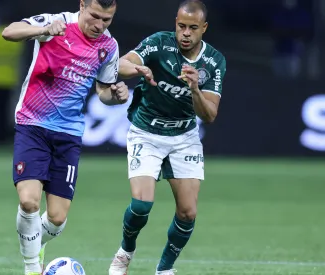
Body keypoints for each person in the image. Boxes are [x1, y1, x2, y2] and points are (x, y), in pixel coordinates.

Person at [1, 0, 128, 274]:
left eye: (107, 20)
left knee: (57, 219)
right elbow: (9, 32)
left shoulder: (109, 46)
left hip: (68, 134)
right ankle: (32, 267)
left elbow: (103, 91)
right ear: (82, 5)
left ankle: (36, 243)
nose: (99, 25)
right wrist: (43, 29)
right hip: (32, 125)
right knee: (29, 201)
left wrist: (115, 97)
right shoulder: (56, 22)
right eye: (95, 16)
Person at [108, 1, 226, 274]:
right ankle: (125, 251)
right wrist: (139, 69)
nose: (185, 33)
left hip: (184, 136)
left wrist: (195, 88)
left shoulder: (214, 62)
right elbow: (121, 64)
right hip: (146, 132)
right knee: (141, 204)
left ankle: (164, 269)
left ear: (204, 28)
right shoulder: (159, 44)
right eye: (181, 26)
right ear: (175, 23)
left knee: (188, 213)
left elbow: (209, 115)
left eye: (193, 28)